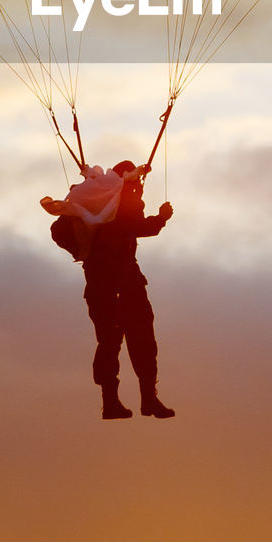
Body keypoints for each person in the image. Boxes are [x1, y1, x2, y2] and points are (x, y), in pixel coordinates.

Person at [78, 160, 174, 420]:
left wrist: (137, 194)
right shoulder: (117, 207)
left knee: (109, 343)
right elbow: (137, 226)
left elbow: (131, 222)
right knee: (140, 340)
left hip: (102, 288)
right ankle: (145, 401)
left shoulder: (102, 206)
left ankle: (113, 404)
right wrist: (162, 217)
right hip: (124, 286)